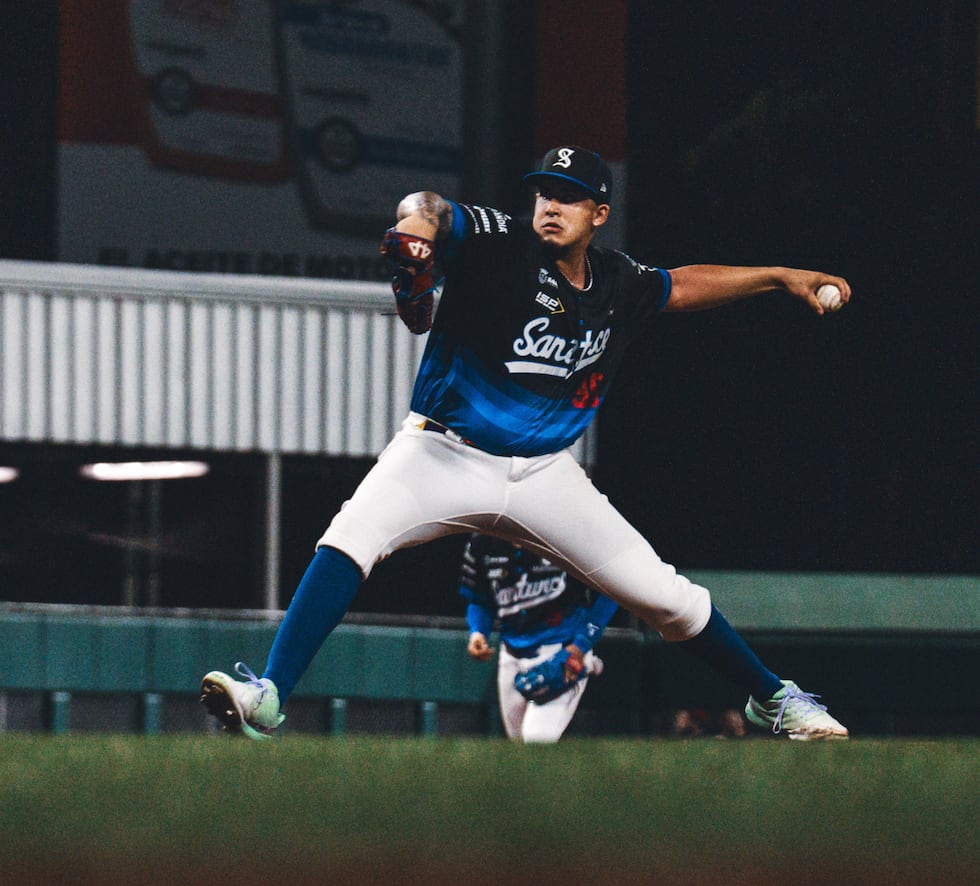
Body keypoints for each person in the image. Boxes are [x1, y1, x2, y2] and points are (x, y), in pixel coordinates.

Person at [201, 144, 851, 742]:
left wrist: (778, 275)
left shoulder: (616, 283)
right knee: (349, 539)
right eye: (544, 193)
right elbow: (427, 210)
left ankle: (774, 698)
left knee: (667, 597)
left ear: (599, 214)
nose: (550, 206)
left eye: (569, 197)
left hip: (544, 473)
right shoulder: (500, 243)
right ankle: (268, 695)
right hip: (441, 453)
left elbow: (680, 284)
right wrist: (415, 236)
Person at [459, 532, 617, 743]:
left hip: (561, 652)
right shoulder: (483, 540)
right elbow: (479, 600)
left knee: (535, 741)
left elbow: (610, 590)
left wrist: (582, 645)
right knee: (519, 751)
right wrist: (478, 632)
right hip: (511, 656)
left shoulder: (562, 533)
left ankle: (588, 663)